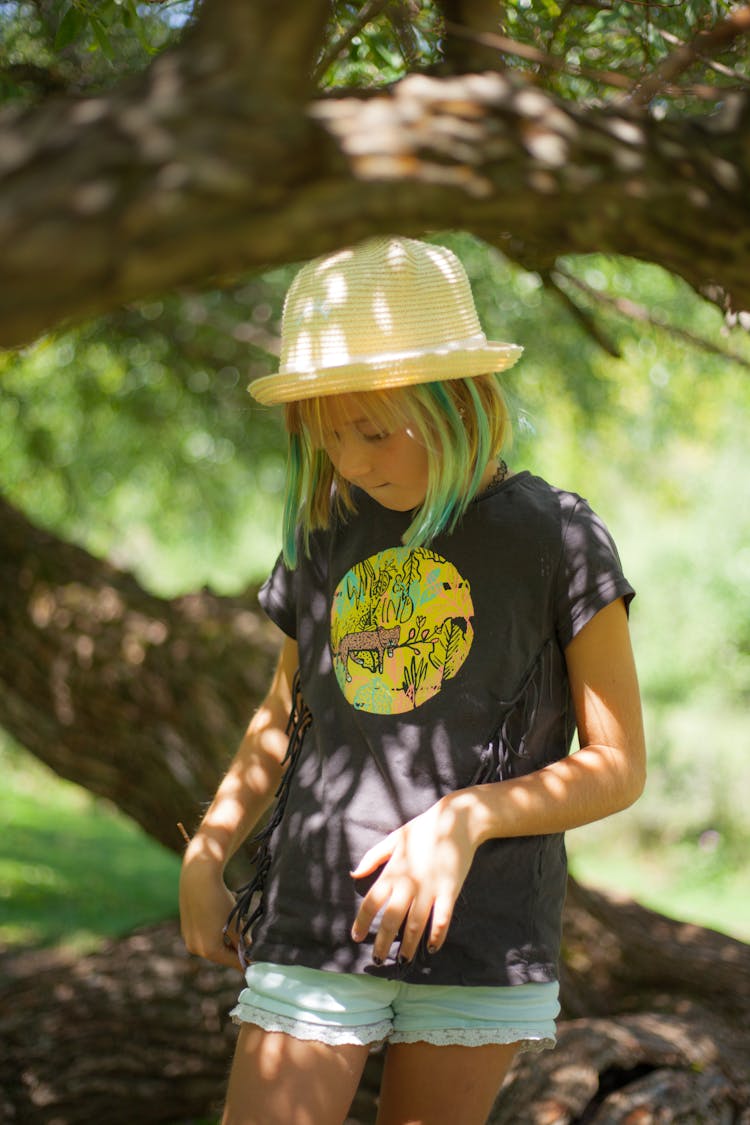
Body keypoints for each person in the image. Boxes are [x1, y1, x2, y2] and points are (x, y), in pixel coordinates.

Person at [179, 235, 646, 1125]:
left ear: (461, 399)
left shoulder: (557, 538)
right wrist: (208, 849)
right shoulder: (327, 533)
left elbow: (619, 763)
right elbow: (283, 714)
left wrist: (467, 818)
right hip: (318, 917)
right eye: (328, 434)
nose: (352, 461)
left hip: (481, 932)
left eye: (373, 430)